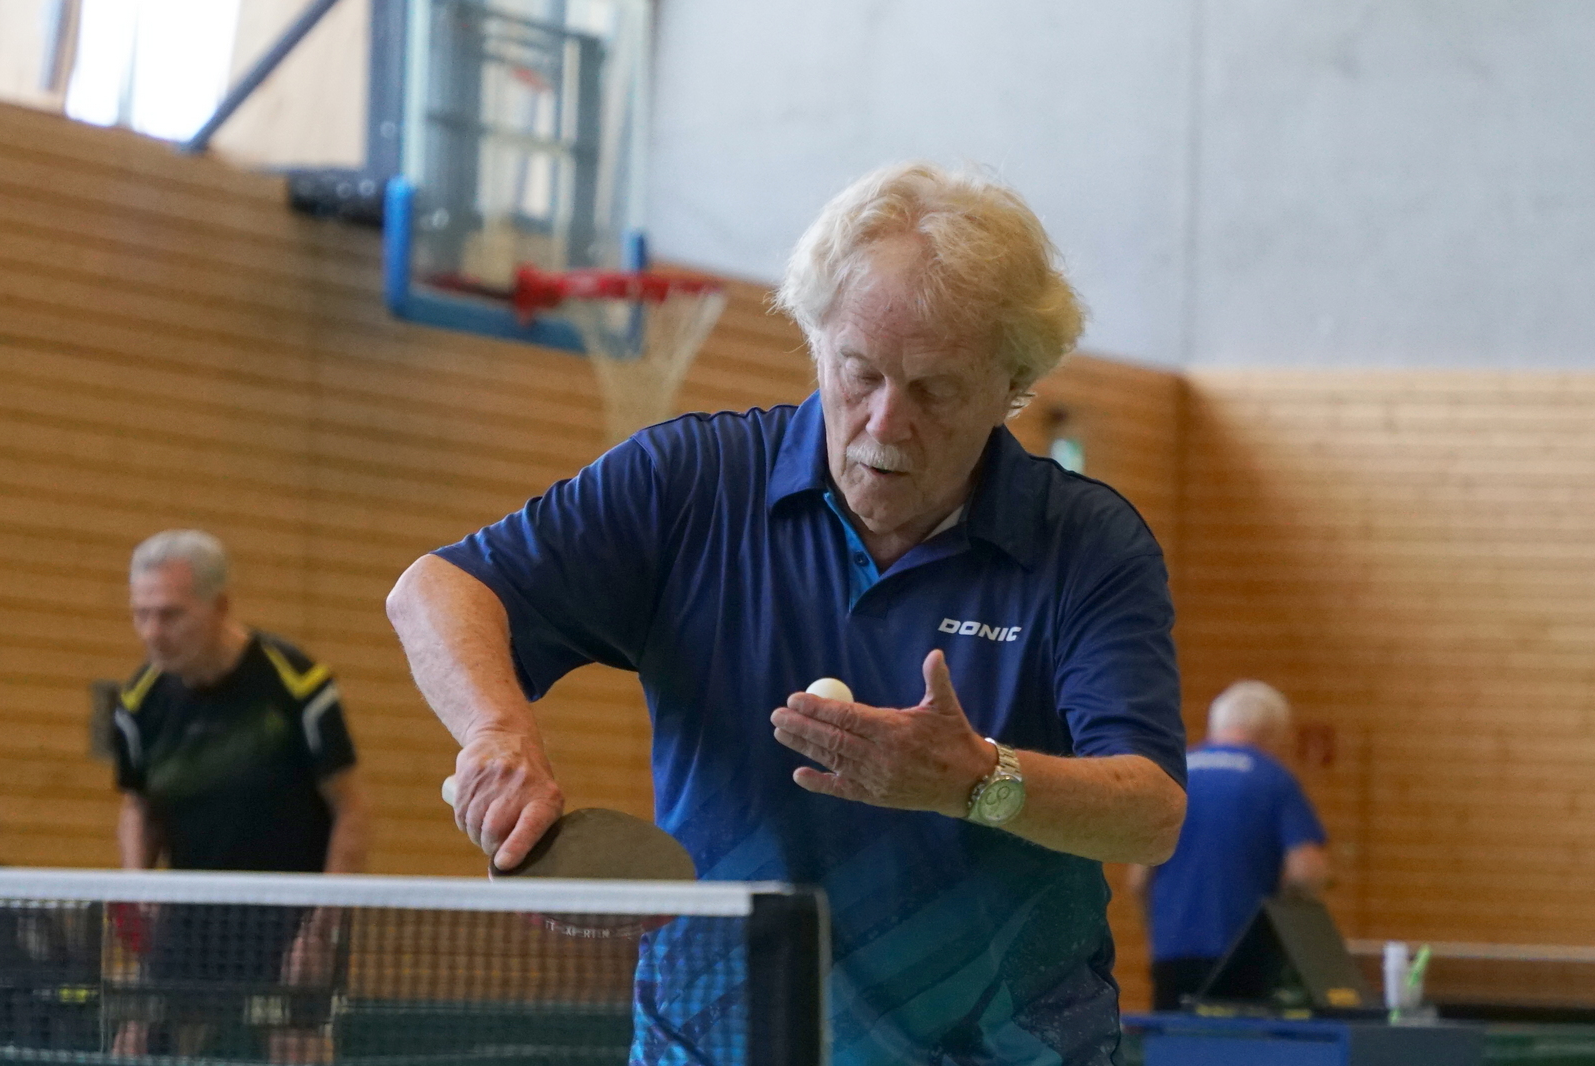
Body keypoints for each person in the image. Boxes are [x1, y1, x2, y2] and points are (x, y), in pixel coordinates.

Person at [386, 162, 1188, 1065]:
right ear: (817, 340)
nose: (885, 422)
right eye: (860, 372)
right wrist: (496, 734)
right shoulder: (692, 486)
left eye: (935, 390)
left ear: (1013, 386)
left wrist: (975, 780)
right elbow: (437, 589)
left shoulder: (1087, 544)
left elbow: (1149, 812)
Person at [111, 529, 369, 1060]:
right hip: (192, 910)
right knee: (134, 1045)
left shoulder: (297, 685)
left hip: (290, 911)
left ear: (220, 606)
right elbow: (138, 808)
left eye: (170, 615)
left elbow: (351, 808)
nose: (153, 633)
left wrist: (321, 928)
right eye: (141, 614)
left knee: (295, 1049)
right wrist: (139, 889)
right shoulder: (139, 703)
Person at [1131, 680, 1330, 1012]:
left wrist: (1158, 940)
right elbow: (1306, 874)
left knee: (1174, 1040)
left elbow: (1139, 880)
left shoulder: (1174, 776)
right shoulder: (1274, 779)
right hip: (1245, 958)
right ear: (1272, 732)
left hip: (1172, 955)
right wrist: (1284, 925)